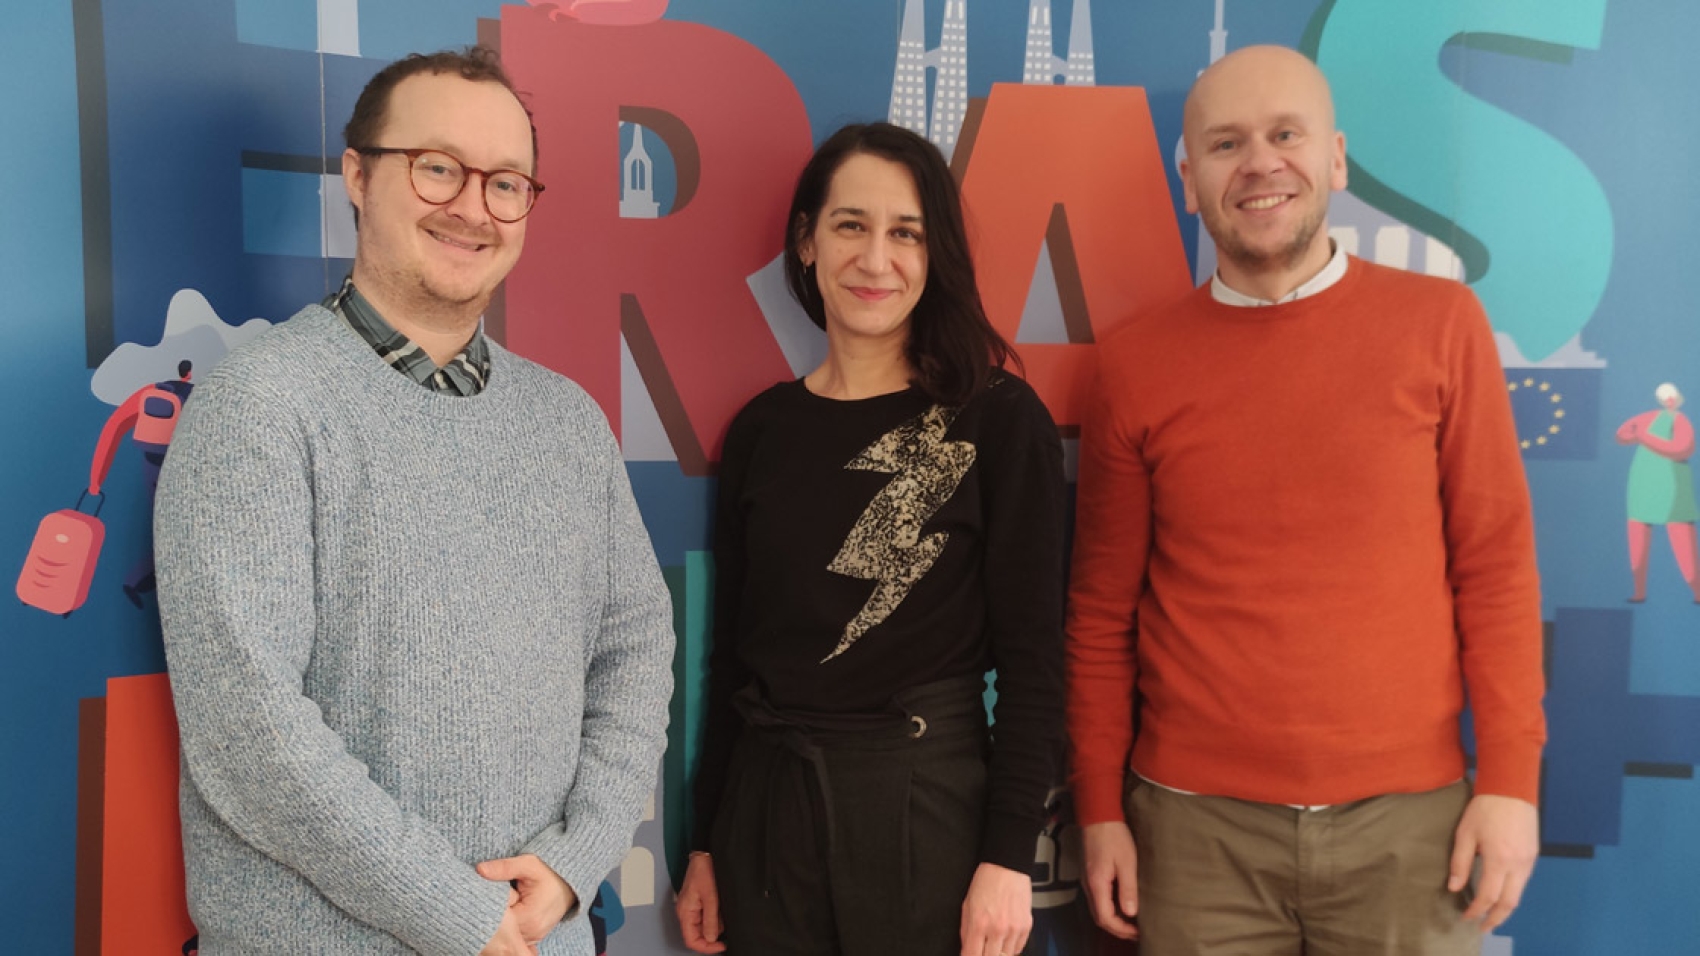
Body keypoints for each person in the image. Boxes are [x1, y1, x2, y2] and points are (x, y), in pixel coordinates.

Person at [154, 47, 674, 956]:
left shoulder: (569, 421)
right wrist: (460, 915)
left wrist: (573, 860)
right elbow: (248, 726)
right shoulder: (261, 406)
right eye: (437, 167)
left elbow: (636, 649)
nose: (473, 207)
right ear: (358, 174)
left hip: (543, 937)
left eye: (506, 182)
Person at [1065, 46, 1546, 955]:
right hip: (1193, 836)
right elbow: (1099, 611)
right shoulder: (1133, 366)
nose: (1259, 163)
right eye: (1226, 142)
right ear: (1187, 173)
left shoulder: (1441, 327)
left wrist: (1512, 784)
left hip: (1414, 834)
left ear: (1334, 157)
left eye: (1287, 134)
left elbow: (1496, 570)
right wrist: (1099, 806)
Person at [673, 122, 1067, 956]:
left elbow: (1036, 661)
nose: (876, 259)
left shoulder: (995, 421)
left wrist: (1006, 857)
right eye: (851, 225)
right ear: (806, 241)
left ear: (935, 256)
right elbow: (732, 665)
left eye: (906, 233)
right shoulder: (761, 431)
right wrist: (706, 841)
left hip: (930, 814)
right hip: (768, 817)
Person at [1616, 382, 1700, 602]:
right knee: (1637, 540)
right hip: (1642, 483)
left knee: (1682, 539)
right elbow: (1622, 434)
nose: (1670, 401)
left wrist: (1644, 438)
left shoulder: (1680, 421)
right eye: (1666, 398)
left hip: (1673, 485)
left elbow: (1683, 448)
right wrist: (1636, 435)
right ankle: (1639, 591)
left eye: (1672, 397)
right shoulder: (1648, 417)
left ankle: (1697, 590)